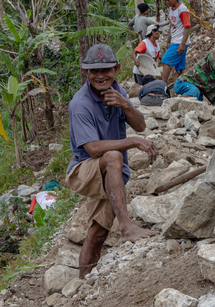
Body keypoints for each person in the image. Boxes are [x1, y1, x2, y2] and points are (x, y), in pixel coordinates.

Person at [66, 44, 158, 279]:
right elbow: (93, 148)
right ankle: (126, 227)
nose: (99, 76)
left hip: (110, 172)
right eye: (93, 71)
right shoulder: (80, 104)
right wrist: (134, 142)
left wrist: (126, 105)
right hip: (84, 169)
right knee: (114, 156)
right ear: (85, 73)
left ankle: (82, 283)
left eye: (105, 70)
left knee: (98, 233)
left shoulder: (118, 92)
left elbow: (140, 125)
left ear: (116, 69)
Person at [174, 32, 215, 105]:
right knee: (193, 93)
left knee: (198, 105)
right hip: (184, 83)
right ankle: (174, 105)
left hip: (198, 90)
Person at [161, 0, 191, 84]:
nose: (167, 2)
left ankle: (163, 85)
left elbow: (187, 27)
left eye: (168, 0)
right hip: (175, 41)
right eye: (165, 0)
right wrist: (168, 40)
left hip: (179, 42)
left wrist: (182, 44)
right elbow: (172, 25)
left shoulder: (182, 9)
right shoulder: (171, 9)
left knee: (165, 61)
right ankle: (187, 86)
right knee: (181, 68)